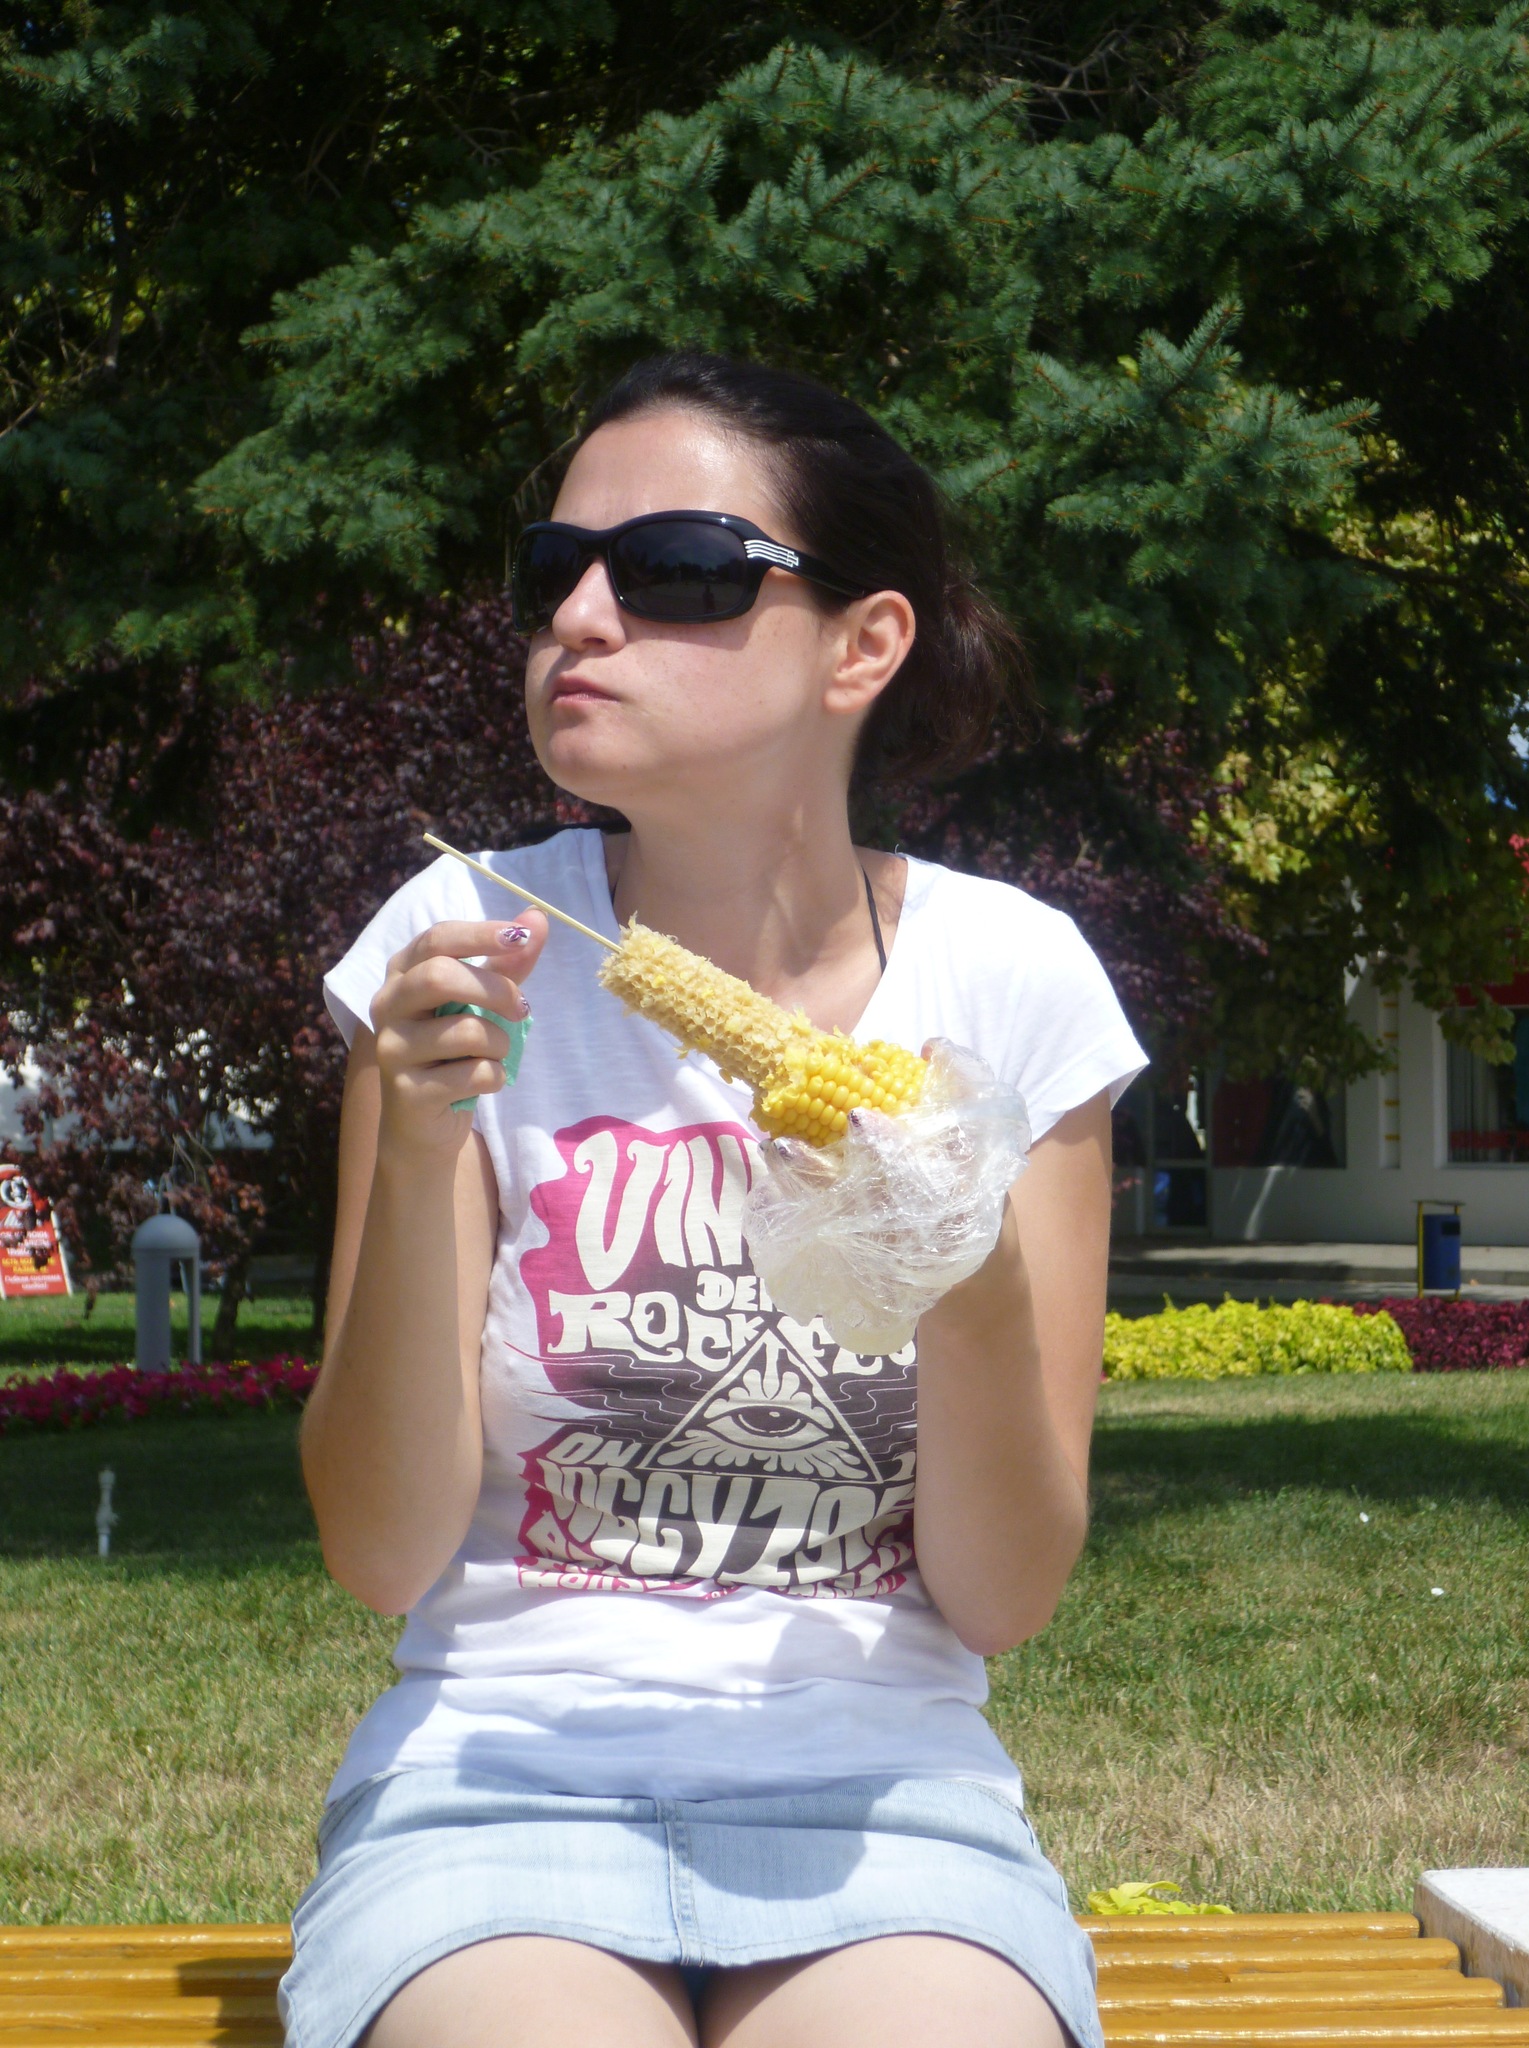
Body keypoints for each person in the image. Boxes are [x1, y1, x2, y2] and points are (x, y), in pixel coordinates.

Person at [281, 354, 1147, 2048]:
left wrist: (960, 1271)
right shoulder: (459, 950)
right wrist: (417, 1141)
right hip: (497, 1787)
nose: (579, 618)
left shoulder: (1013, 982)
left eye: (675, 569)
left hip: (888, 1803)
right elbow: (379, 1554)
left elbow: (1006, 1597)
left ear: (861, 646)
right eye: (554, 569)